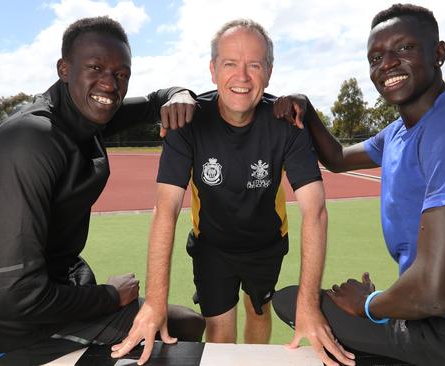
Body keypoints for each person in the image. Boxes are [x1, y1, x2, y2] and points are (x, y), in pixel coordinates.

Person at [272, 4, 445, 366]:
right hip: (435, 319)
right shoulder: (399, 131)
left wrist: (368, 304)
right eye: (376, 57)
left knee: (292, 303)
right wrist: (307, 107)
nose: (388, 63)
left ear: (439, 53)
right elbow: (336, 159)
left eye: (404, 49)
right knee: (304, 305)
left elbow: (436, 294)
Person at [110, 19, 355, 366]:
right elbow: (165, 210)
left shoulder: (289, 124)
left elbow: (314, 210)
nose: (242, 77)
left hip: (266, 244)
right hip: (213, 246)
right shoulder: (187, 123)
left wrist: (308, 306)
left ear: (268, 72)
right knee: (220, 334)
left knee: (258, 315)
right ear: (212, 70)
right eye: (229, 64)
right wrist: (155, 303)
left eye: (254, 65)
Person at [0, 16, 204, 365]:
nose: (109, 84)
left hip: (59, 285)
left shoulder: (86, 115)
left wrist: (181, 95)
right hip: (18, 330)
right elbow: (14, 298)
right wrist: (109, 296)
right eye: (95, 68)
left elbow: (157, 101)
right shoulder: (26, 142)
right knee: (185, 323)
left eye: (121, 74)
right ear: (65, 69)